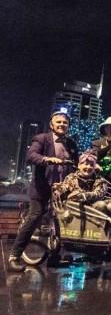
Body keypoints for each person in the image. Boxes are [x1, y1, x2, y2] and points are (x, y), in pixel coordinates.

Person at [8, 111, 78, 272]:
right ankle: (15, 256)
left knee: (60, 224)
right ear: (52, 125)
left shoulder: (72, 144)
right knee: (34, 218)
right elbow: (31, 155)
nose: (62, 124)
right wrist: (46, 159)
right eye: (58, 122)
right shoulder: (42, 139)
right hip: (42, 188)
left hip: (61, 191)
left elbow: (76, 164)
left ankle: (54, 258)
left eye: (65, 122)